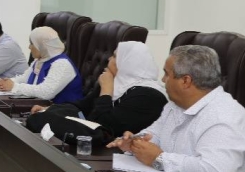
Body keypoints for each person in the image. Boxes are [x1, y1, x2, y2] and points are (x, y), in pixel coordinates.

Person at [107, 45, 245, 172]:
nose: (163, 80)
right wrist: (136, 142)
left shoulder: (224, 116)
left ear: (185, 81)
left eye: (167, 74)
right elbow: (155, 134)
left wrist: (159, 159)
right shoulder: (176, 105)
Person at [26, 42, 167, 145]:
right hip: (96, 145)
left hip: (113, 152)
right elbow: (82, 106)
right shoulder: (117, 84)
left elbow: (104, 127)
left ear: (127, 63)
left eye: (114, 56)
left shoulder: (148, 96)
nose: (109, 59)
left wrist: (106, 92)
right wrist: (51, 109)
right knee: (41, 119)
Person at [0, 26, 82, 103]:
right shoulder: (40, 60)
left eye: (32, 43)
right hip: (41, 108)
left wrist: (14, 87)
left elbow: (46, 92)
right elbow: (25, 79)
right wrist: (6, 82)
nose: (29, 47)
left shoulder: (62, 64)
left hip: (63, 112)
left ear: (42, 45)